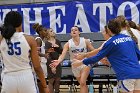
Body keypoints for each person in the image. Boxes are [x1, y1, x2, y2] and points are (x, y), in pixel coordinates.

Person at [72, 19, 140, 93]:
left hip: (126, 75)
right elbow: (138, 56)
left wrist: (80, 62)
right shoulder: (129, 38)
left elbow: (96, 57)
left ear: (109, 30)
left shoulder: (110, 42)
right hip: (138, 72)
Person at [0, 11, 49, 93]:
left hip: (8, 78)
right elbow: (37, 67)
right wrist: (44, 86)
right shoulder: (29, 39)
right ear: (20, 23)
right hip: (26, 77)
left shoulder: (1, 39)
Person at [50, 26, 95, 93]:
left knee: (82, 82)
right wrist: (58, 61)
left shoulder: (85, 41)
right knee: (83, 85)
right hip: (74, 65)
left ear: (79, 32)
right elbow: (62, 55)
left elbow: (94, 51)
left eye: (75, 30)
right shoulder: (68, 44)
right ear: (70, 33)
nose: (74, 31)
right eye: (72, 30)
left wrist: (100, 57)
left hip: (84, 63)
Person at [45, 28, 62, 93]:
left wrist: (58, 61)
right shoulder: (47, 43)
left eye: (53, 30)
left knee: (58, 80)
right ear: (48, 34)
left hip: (57, 62)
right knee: (51, 80)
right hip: (50, 62)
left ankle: (57, 91)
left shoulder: (58, 41)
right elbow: (47, 55)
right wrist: (52, 66)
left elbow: (61, 52)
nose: (53, 32)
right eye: (51, 31)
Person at [32, 23, 48, 93]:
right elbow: (36, 52)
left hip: (43, 63)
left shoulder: (42, 40)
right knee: (41, 83)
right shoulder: (38, 40)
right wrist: (44, 55)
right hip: (40, 64)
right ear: (40, 32)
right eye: (45, 31)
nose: (46, 32)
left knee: (42, 82)